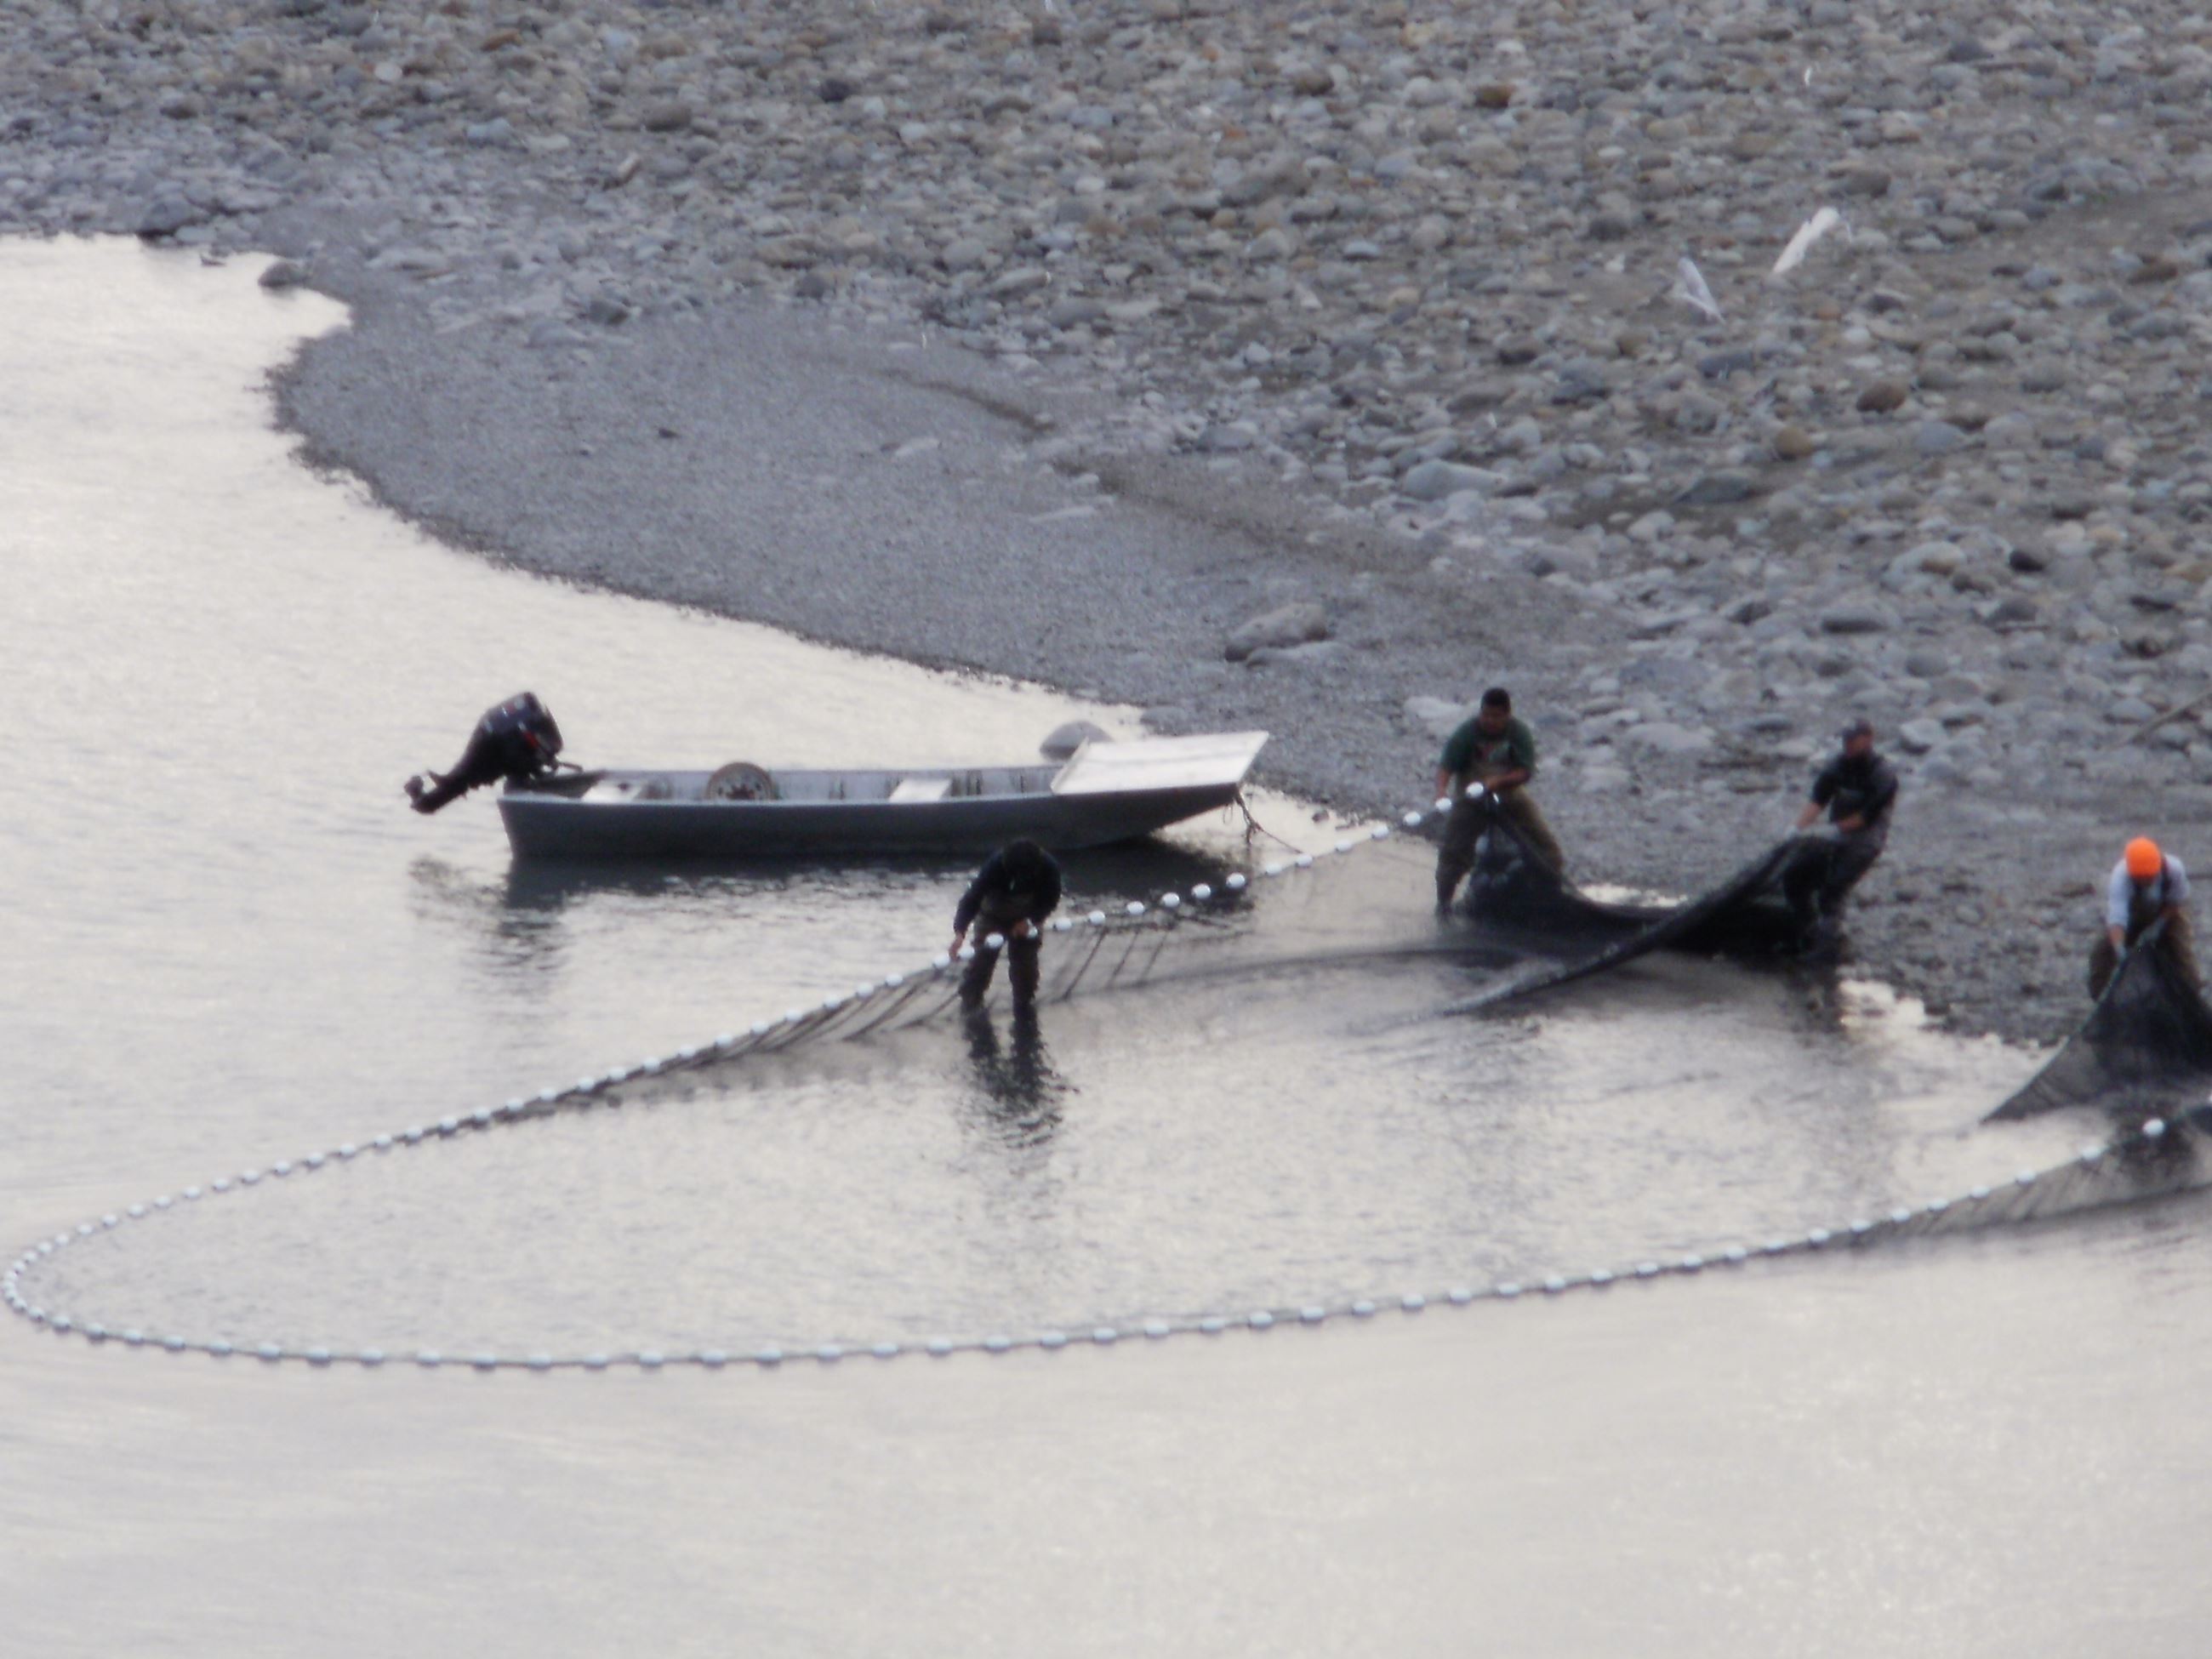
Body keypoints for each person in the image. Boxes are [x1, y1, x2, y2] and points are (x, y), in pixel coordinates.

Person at [1434, 687, 1564, 913]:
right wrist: (1441, 792)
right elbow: (1446, 767)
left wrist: (1497, 782)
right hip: (1470, 799)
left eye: (1496, 716)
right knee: (1453, 853)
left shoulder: (1518, 732)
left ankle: (1547, 894)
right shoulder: (1467, 733)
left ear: (1507, 715)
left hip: (1510, 795)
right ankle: (1443, 904)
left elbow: (1525, 772)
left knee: (1546, 847)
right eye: (1486, 714)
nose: (1490, 721)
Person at [1782, 717, 1898, 952]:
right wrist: (1797, 827)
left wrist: (1834, 829)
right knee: (1794, 876)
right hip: (1834, 837)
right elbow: (1818, 799)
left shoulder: (1883, 775)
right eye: (1845, 739)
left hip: (1865, 841)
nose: (1848, 744)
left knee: (1833, 890)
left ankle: (1830, 945)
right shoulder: (1837, 766)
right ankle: (1807, 930)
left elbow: (1866, 816)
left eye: (1853, 739)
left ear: (1868, 739)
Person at [950, 839, 1064, 1012]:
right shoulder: (994, 866)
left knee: (1026, 966)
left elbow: (1051, 900)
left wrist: (1030, 920)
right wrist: (960, 932)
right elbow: (972, 898)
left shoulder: (1049, 867)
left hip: (1028, 914)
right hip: (992, 915)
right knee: (981, 961)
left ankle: (1024, 1004)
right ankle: (971, 1002)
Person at [2088, 836, 2198, 998]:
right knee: (2102, 953)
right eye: (2140, 878)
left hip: (2167, 912)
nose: (2145, 880)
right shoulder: (2120, 877)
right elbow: (2117, 920)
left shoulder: (2174, 869)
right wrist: (2120, 951)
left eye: (2149, 876)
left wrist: (2158, 926)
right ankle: (2101, 998)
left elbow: (2176, 901)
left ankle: (2191, 995)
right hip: (2133, 916)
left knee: (2182, 952)